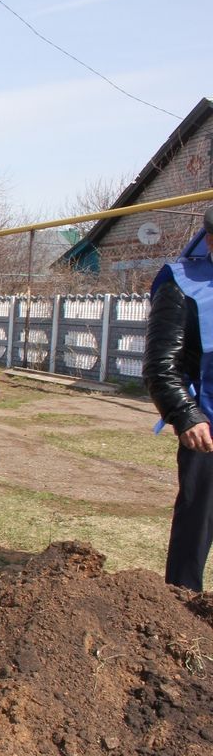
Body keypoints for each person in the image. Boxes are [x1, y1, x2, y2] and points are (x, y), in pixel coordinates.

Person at [144, 217, 213, 591]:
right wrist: (186, 415)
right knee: (196, 525)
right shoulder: (182, 284)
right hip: (208, 430)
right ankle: (182, 608)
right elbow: (160, 365)